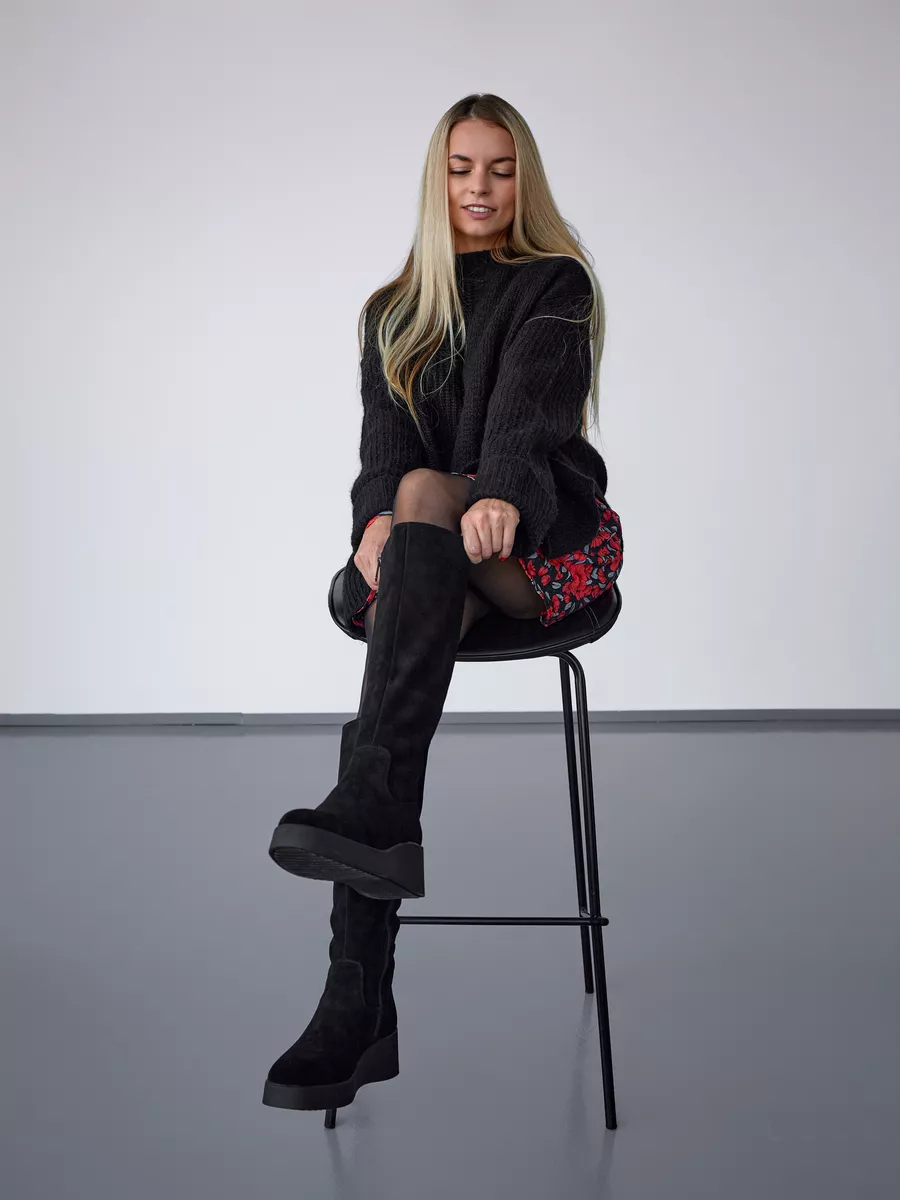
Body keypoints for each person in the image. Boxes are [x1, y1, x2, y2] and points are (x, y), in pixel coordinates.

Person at [262, 93, 624, 1114]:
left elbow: (528, 412)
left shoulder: (555, 283)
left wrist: (495, 489)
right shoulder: (393, 309)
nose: (480, 187)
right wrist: (376, 519)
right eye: (462, 168)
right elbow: (383, 446)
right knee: (408, 540)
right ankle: (354, 994)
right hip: (435, 561)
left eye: (500, 169)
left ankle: (357, 985)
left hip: (539, 545)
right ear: (437, 178)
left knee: (425, 515)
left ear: (524, 179)